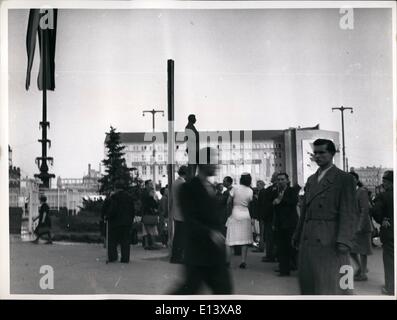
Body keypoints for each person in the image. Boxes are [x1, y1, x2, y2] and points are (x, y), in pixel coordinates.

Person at [292, 139, 357, 295]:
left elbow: (349, 212)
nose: (318, 156)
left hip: (330, 239)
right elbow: (305, 211)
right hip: (309, 237)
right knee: (310, 284)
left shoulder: (344, 178)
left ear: (332, 154)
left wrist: (344, 240)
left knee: (331, 285)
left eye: (322, 152)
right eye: (315, 153)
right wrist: (298, 234)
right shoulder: (311, 179)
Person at [171, 147, 232, 294]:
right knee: (187, 291)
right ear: (203, 163)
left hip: (213, 254)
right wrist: (211, 233)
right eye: (213, 161)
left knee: (223, 291)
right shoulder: (188, 188)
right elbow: (190, 219)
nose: (216, 165)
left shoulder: (211, 188)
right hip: (198, 253)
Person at [371, 170, 394, 295]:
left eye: (384, 181)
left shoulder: (383, 196)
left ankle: (390, 288)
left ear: (389, 183)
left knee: (390, 261)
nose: (383, 184)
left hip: (390, 233)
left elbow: (375, 211)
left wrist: (382, 220)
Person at [225, 173, 254, 269]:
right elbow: (249, 204)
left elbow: (228, 201)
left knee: (230, 239)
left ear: (241, 179)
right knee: (244, 240)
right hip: (245, 214)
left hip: (235, 213)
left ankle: (227, 261)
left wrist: (229, 212)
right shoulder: (250, 191)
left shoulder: (235, 188)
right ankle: (243, 261)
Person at [273, 173, 299, 276]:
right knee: (281, 247)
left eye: (282, 179)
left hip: (290, 223)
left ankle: (294, 265)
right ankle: (284, 270)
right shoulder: (276, 191)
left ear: (287, 180)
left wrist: (280, 201)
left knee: (291, 247)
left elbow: (293, 202)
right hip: (280, 223)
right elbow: (274, 206)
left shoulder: (292, 191)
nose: (280, 181)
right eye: (278, 180)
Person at [348, 171, 372, 282]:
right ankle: (362, 268)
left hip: (362, 227)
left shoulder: (361, 191)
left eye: (353, 179)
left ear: (357, 180)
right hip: (353, 226)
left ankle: (363, 274)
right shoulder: (350, 192)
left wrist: (360, 226)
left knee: (362, 250)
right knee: (351, 249)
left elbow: (364, 210)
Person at [103, 181, 135, 263]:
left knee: (112, 241)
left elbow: (112, 209)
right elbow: (132, 210)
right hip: (126, 223)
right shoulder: (129, 197)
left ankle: (113, 257)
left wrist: (107, 216)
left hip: (115, 222)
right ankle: (125, 258)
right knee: (125, 241)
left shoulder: (114, 197)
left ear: (115, 188)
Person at [170, 165, 188, 264]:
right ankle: (178, 257)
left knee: (177, 236)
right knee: (181, 237)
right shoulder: (182, 183)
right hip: (182, 214)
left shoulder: (175, 183)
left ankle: (175, 256)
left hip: (176, 212)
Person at [260, 172, 278, 262]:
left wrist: (263, 216)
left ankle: (270, 255)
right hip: (272, 216)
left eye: (272, 176)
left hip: (270, 217)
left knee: (270, 237)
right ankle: (272, 255)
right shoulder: (273, 189)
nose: (271, 178)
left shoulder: (272, 189)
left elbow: (267, 204)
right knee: (272, 237)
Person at [142, 180, 160, 250]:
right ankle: (152, 244)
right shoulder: (149, 193)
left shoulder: (144, 192)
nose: (151, 185)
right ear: (146, 185)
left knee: (146, 230)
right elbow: (153, 203)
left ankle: (147, 244)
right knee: (152, 229)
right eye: (150, 184)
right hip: (150, 213)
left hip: (145, 213)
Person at [185, 114, 200, 180]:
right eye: (194, 118)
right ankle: (191, 179)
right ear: (191, 119)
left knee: (193, 166)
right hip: (193, 149)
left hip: (194, 149)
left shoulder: (191, 126)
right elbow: (192, 138)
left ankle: (192, 178)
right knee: (192, 166)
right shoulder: (189, 127)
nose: (196, 120)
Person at [252, 180, 266, 253]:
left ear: (262, 185)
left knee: (262, 232)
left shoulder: (262, 192)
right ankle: (261, 247)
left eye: (258, 185)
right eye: (257, 185)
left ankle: (261, 247)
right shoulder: (262, 192)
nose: (257, 186)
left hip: (262, 215)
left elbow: (262, 205)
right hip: (262, 215)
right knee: (261, 232)